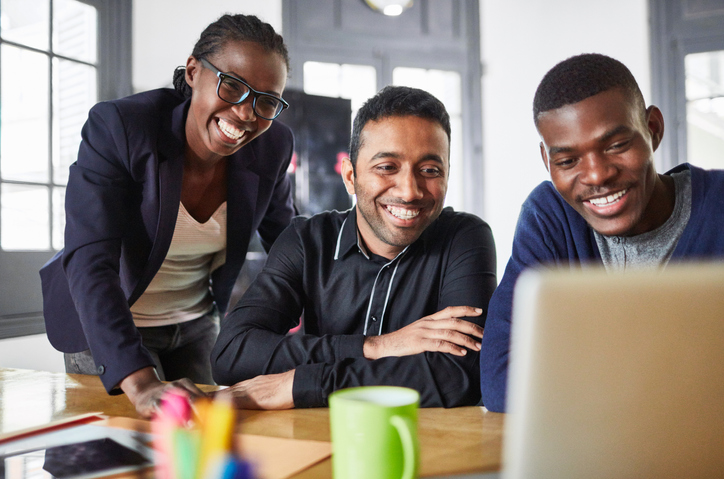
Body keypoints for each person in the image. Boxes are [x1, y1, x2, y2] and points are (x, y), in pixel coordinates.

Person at [40, 14, 296, 417]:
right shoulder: (122, 127)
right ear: (194, 71)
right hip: (110, 323)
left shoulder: (273, 145)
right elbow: (90, 259)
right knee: (127, 455)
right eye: (232, 86)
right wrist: (141, 384)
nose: (247, 114)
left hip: (194, 321)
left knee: (211, 440)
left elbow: (289, 244)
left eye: (266, 101)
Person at [210, 85, 497, 409]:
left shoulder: (465, 239)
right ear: (350, 176)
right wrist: (376, 347)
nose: (410, 191)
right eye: (387, 167)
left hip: (433, 447)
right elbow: (232, 354)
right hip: (321, 442)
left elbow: (461, 376)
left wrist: (300, 383)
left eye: (430, 171)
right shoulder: (307, 241)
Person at [479, 53, 724, 413]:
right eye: (567, 161)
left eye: (616, 145)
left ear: (652, 129)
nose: (596, 175)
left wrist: (578, 365)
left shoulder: (718, 206)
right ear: (548, 162)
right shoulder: (550, 218)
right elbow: (502, 381)